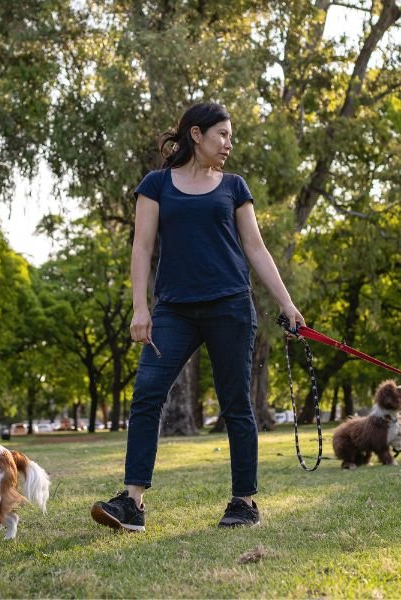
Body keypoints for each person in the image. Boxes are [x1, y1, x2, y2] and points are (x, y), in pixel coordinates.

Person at [90, 102, 305, 532]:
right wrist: (140, 307)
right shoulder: (156, 184)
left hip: (230, 306)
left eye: (230, 136)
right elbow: (142, 248)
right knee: (147, 394)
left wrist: (287, 303)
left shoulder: (234, 186)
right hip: (174, 309)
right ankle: (132, 503)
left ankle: (243, 502)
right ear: (196, 134)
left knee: (236, 404)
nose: (228, 144)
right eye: (222, 134)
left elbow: (256, 248)